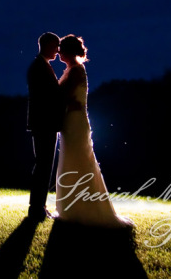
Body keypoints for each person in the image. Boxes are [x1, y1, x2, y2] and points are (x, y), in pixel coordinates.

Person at [54, 34, 133, 228]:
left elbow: (61, 95)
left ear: (69, 51)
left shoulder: (75, 72)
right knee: (73, 159)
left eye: (61, 49)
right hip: (72, 121)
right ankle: (72, 206)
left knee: (78, 160)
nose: (58, 53)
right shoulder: (72, 70)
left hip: (75, 122)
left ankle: (82, 209)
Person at [26, 31, 66, 220]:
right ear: (47, 45)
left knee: (43, 164)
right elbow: (47, 97)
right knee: (43, 165)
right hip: (44, 124)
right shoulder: (39, 67)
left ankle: (38, 206)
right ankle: (37, 208)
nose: (58, 51)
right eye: (56, 46)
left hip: (44, 123)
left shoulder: (41, 66)